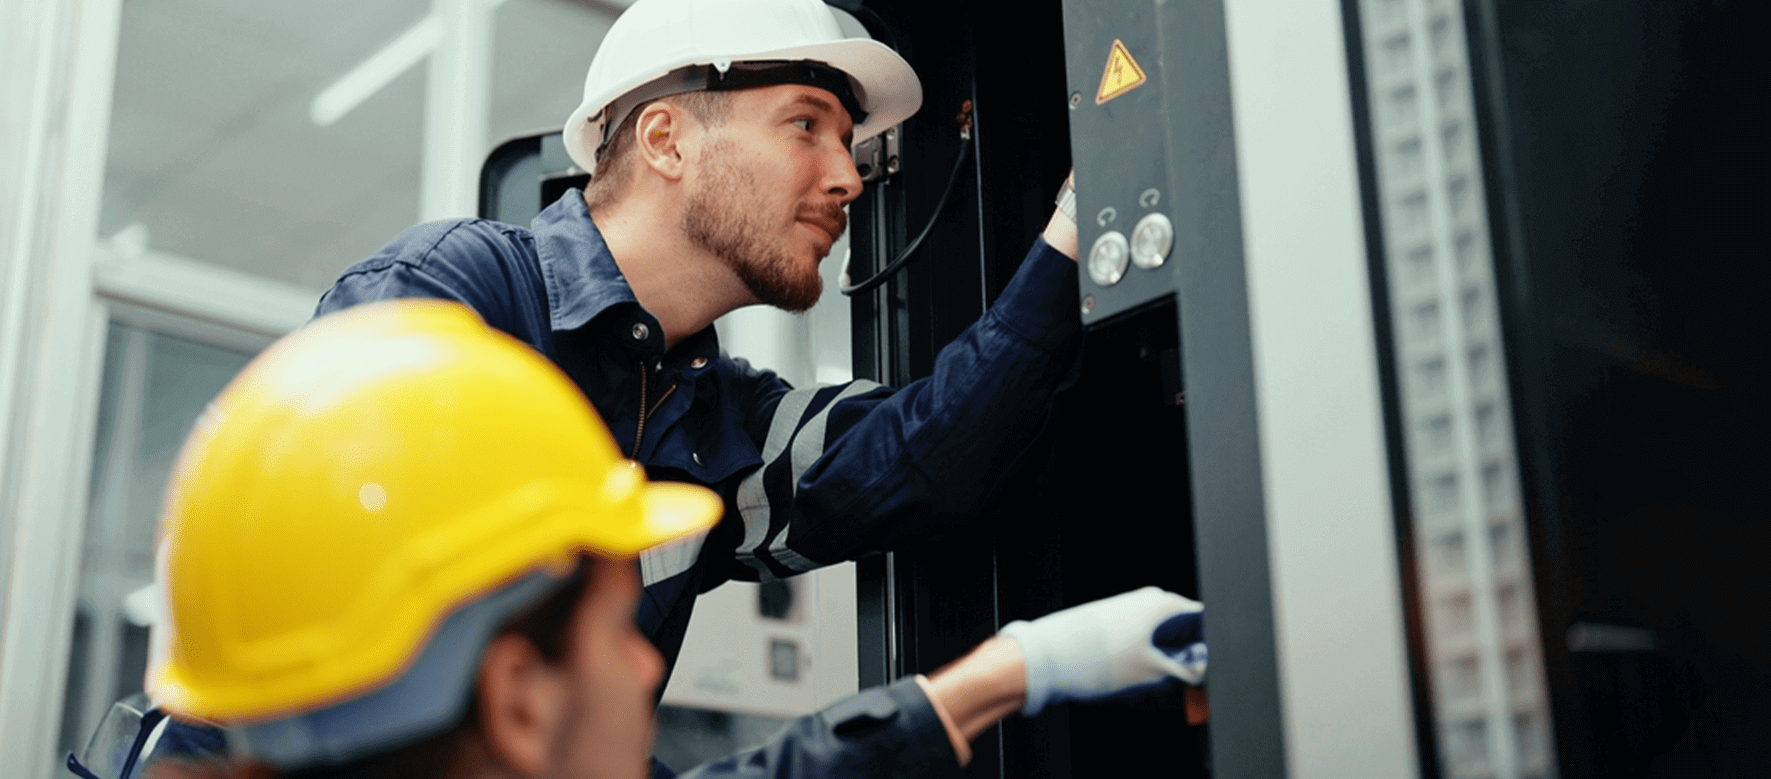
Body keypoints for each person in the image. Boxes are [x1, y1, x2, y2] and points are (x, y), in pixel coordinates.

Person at [311, 0, 1085, 690]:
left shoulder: (716, 419)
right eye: (806, 124)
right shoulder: (455, 294)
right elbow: (373, 667)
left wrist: (1077, 232)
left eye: (847, 142)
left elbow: (926, 453)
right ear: (665, 139)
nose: (850, 176)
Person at [121, 301, 1204, 779]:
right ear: (514, 695)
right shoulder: (466, 291)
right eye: (612, 626)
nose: (648, 657)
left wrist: (1020, 668)